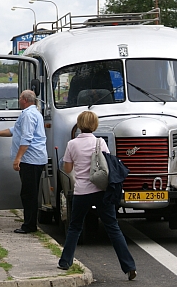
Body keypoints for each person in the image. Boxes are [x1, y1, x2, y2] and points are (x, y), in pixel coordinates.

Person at [57, 111, 137, 281]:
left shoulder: (72, 144)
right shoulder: (100, 142)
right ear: (94, 125)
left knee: (75, 227)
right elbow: (106, 166)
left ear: (79, 124)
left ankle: (65, 261)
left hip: (82, 193)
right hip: (101, 192)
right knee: (113, 228)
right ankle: (129, 267)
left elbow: (68, 169)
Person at [0, 90, 48, 234]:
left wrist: (18, 158)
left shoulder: (28, 115)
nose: (18, 100)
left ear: (25, 100)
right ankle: (29, 222)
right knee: (29, 192)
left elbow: (26, 138)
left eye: (20, 98)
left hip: (30, 160)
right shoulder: (32, 113)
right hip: (35, 159)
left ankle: (30, 225)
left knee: (28, 194)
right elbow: (14, 130)